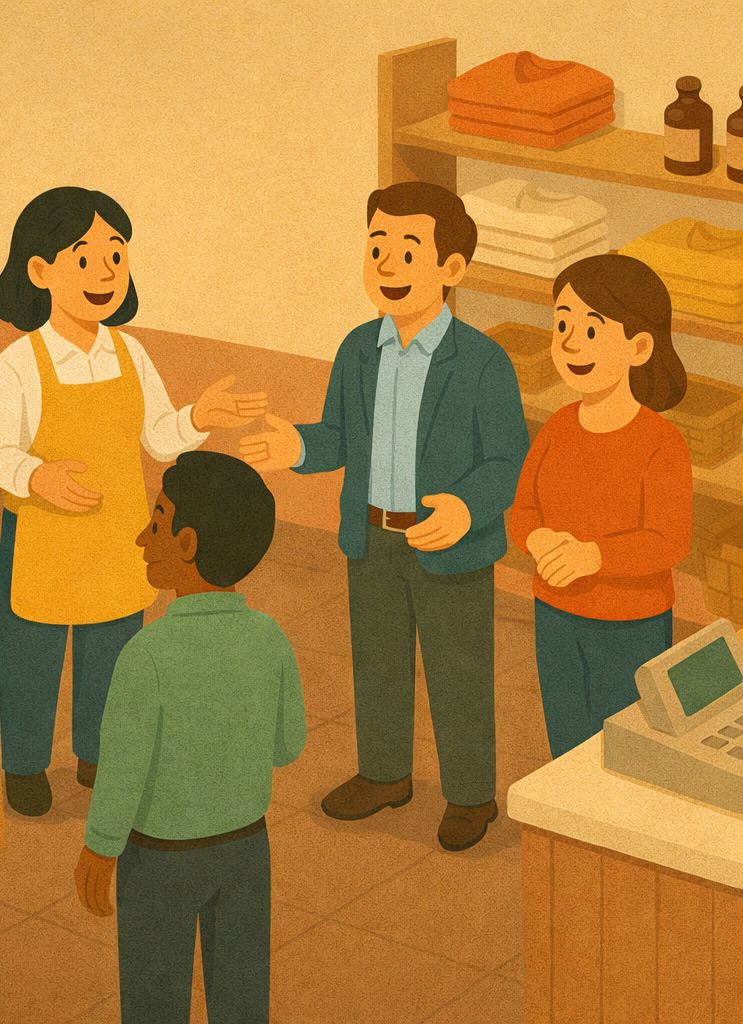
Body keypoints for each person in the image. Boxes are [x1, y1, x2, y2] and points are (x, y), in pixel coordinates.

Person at [240, 181, 528, 852]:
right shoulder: (356, 350)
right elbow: (340, 436)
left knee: (458, 669)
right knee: (378, 663)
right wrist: (300, 447)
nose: (388, 265)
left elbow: (509, 461)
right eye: (376, 248)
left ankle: (469, 794)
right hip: (371, 536)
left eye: (407, 249)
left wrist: (463, 507)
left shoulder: (483, 362)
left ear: (452, 270)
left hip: (448, 543)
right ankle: (384, 774)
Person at [0, 188, 268, 818]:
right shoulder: (17, 364)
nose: (106, 271)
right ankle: (23, 763)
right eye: (84, 257)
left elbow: (158, 438)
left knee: (112, 651)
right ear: (40, 271)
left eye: (117, 253)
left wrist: (197, 416)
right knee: (32, 654)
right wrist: (34, 476)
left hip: (117, 535)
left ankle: (97, 752)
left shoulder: (130, 352)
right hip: (43, 539)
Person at [74, 451, 304, 1024]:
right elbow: (288, 746)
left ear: (188, 544)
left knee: (154, 1002)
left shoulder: (145, 655)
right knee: (243, 996)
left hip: (160, 862)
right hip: (247, 849)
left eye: (155, 523)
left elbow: (121, 771)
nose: (140, 538)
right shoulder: (270, 638)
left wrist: (100, 846)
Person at [509, 253, 693, 758]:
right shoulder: (557, 427)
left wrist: (594, 557)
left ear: (638, 347)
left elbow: (668, 540)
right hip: (554, 611)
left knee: (625, 744)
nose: (568, 341)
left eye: (590, 329)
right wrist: (540, 539)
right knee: (566, 738)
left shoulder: (662, 442)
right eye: (561, 324)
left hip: (631, 622)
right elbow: (522, 510)